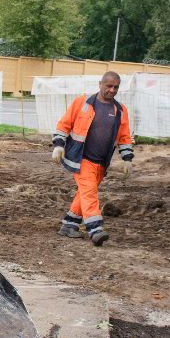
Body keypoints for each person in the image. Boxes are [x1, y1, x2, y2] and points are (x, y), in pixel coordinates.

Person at [51, 71, 134, 246]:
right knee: (89, 193)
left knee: (84, 193)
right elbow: (64, 124)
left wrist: (127, 158)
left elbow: (124, 136)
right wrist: (58, 145)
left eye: (115, 87)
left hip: (101, 162)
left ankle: (69, 225)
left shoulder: (120, 110)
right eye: (108, 86)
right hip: (81, 158)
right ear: (100, 84)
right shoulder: (83, 102)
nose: (112, 90)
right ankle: (95, 229)